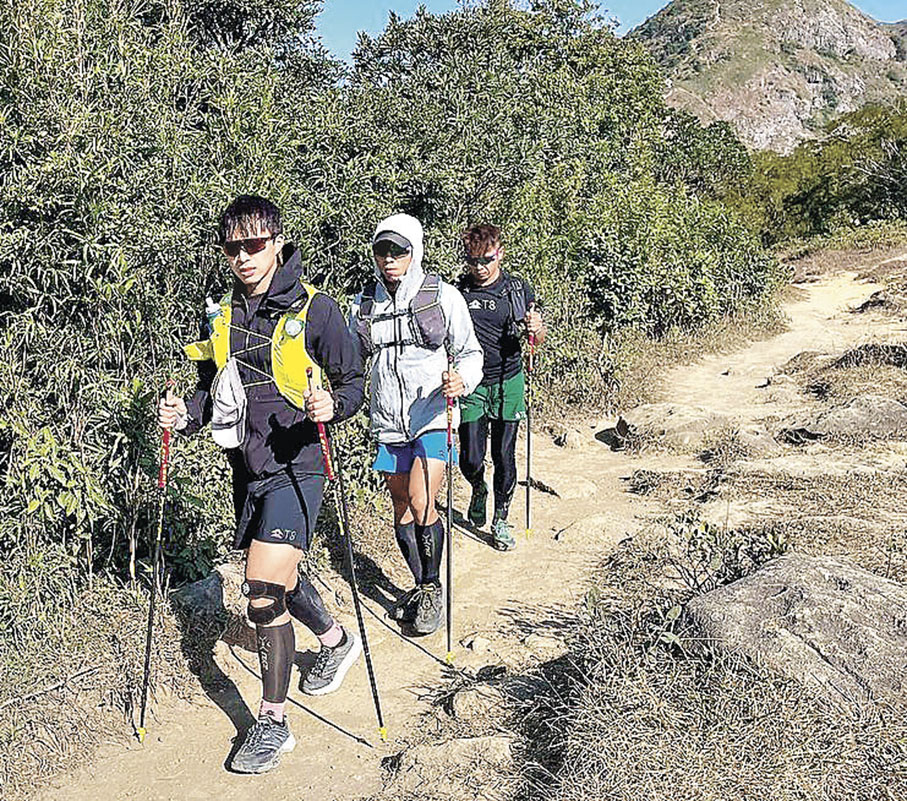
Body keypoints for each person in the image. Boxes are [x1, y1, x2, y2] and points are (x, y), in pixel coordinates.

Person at [158, 195, 365, 774]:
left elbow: (354, 381)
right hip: (247, 468)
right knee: (283, 576)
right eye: (233, 247)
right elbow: (210, 387)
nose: (244, 256)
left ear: (277, 243)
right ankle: (334, 640)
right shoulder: (221, 312)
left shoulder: (315, 310)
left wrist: (335, 404)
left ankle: (272, 724)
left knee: (261, 593)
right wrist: (187, 414)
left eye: (254, 244)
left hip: (299, 466)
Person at [350, 213, 483, 635]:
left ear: (415, 251)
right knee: (403, 506)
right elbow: (347, 358)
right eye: (382, 250)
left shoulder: (441, 296)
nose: (389, 259)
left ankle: (430, 587)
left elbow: (470, 353)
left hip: (432, 416)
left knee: (424, 503)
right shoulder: (364, 304)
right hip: (388, 420)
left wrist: (463, 380)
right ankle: (418, 582)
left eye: (398, 250)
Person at [455, 224, 546, 551]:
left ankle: (501, 519)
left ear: (500, 254)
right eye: (472, 261)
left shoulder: (517, 290)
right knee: (470, 457)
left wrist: (535, 329)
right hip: (472, 382)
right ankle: (478, 488)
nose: (479, 268)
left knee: (504, 454)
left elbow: (537, 337)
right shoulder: (459, 290)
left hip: (509, 379)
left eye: (486, 260)